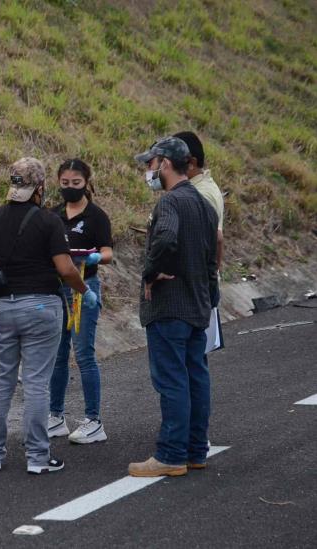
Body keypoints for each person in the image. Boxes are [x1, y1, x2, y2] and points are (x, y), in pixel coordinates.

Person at [0, 157, 97, 475]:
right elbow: (65, 268)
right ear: (40, 188)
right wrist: (85, 292)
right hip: (40, 306)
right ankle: (38, 458)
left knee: (0, 382)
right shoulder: (48, 221)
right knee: (37, 383)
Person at [129, 137, 218, 477]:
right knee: (196, 377)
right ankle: (195, 450)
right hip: (197, 305)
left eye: (150, 164)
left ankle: (170, 454)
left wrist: (151, 272)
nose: (148, 171)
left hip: (169, 305)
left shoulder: (170, 204)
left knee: (171, 381)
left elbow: (165, 238)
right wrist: (210, 297)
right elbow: (213, 256)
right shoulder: (204, 204)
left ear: (165, 163)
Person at [48, 159, 114, 443]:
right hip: (57, 288)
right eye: (65, 184)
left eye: (76, 184)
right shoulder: (52, 215)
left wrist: (95, 257)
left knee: (84, 352)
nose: (70, 189)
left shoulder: (97, 216)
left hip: (85, 286)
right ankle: (55, 415)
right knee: (58, 354)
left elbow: (108, 251)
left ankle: (94, 419)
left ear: (86, 183)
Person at [173, 131, 225, 273]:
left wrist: (211, 278)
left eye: (173, 160)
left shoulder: (202, 194)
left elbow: (217, 238)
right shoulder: (196, 189)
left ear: (192, 163)